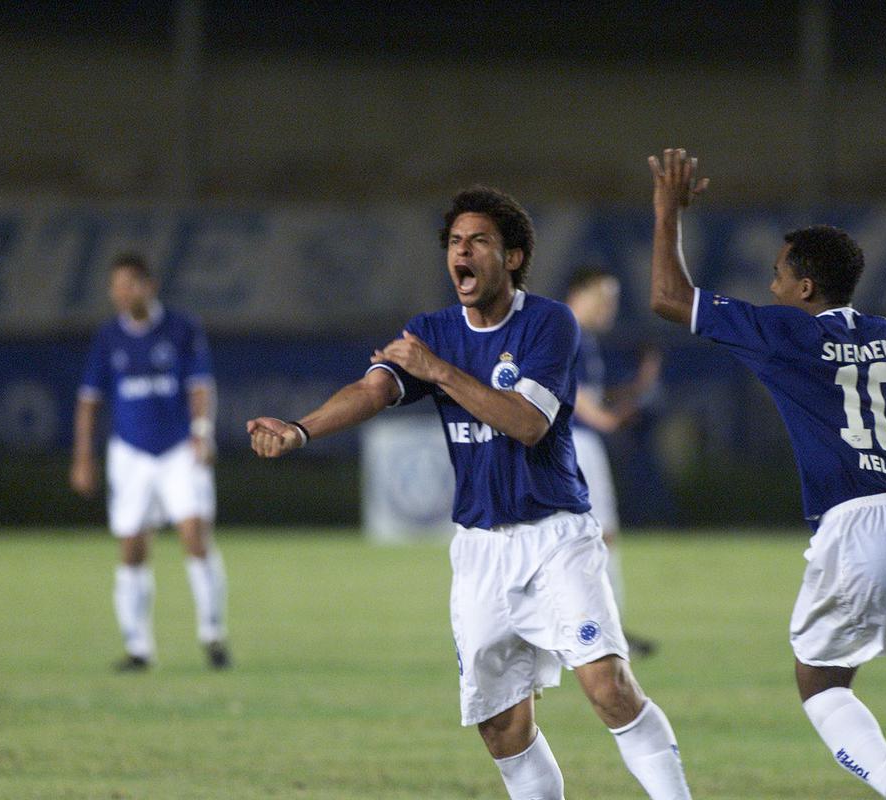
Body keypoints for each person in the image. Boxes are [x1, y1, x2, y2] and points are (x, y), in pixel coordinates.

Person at [248, 186, 691, 800]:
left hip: (555, 536)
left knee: (608, 686)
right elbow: (372, 390)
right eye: (455, 242)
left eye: (478, 241)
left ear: (511, 258)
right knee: (503, 726)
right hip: (480, 551)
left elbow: (528, 423)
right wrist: (300, 429)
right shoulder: (431, 332)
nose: (463, 252)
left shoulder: (548, 323)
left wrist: (438, 371)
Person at [648, 148, 886, 800]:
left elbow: (668, 297)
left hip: (858, 521)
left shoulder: (784, 332)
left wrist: (667, 211)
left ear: (805, 288)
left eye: (778, 277)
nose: (772, 287)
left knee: (821, 683)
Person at [70, 253, 229, 671]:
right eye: (116, 286)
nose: (121, 294)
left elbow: (200, 385)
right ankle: (138, 647)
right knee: (132, 548)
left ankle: (213, 635)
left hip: (179, 448)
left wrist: (201, 433)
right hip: (131, 453)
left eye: (129, 285)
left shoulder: (181, 328)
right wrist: (83, 456)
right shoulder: (108, 337)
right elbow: (89, 400)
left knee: (194, 535)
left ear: (149, 286)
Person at [565, 267, 663, 657]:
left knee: (577, 537)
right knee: (600, 536)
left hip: (570, 442)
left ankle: (593, 627)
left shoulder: (576, 335)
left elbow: (587, 393)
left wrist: (635, 388)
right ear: (580, 293)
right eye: (603, 297)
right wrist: (607, 419)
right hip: (576, 443)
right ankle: (606, 630)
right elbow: (574, 396)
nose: (610, 307)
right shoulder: (567, 332)